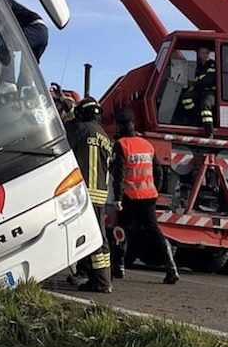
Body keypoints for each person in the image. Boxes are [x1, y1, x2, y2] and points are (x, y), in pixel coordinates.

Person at [109, 109, 179, 284]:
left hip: (129, 196)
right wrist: (156, 189)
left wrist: (117, 198)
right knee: (155, 232)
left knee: (121, 230)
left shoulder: (121, 144)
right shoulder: (147, 144)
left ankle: (118, 267)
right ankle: (171, 268)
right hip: (148, 196)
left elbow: (119, 175)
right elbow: (158, 171)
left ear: (120, 125)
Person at [67, 98, 114, 293]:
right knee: (91, 235)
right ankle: (91, 276)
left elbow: (65, 135)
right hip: (100, 193)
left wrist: (67, 111)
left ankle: (102, 282)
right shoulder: (104, 135)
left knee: (95, 239)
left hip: (83, 192)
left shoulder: (80, 129)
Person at [181, 46, 217, 136]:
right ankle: (195, 119)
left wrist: (194, 86)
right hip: (200, 91)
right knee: (186, 97)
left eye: (206, 53)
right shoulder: (199, 67)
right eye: (202, 53)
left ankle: (209, 131)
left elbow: (209, 80)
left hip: (210, 91)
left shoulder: (212, 64)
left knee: (206, 105)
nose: (204, 55)